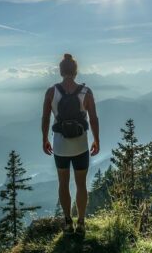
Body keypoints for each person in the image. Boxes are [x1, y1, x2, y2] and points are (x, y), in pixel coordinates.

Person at [41, 53, 100, 235]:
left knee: (63, 183)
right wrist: (97, 140)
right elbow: (93, 119)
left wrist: (45, 139)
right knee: (81, 184)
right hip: (81, 145)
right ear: (75, 71)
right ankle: (81, 223)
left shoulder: (52, 92)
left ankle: (67, 223)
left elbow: (45, 118)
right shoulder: (86, 92)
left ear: (60, 71)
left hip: (60, 146)